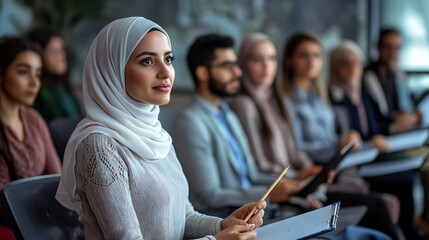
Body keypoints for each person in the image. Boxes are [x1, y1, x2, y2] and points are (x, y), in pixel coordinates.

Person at [56, 17, 265, 240]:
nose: (166, 72)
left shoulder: (157, 134)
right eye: (147, 61)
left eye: (168, 59)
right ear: (113, 70)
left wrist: (223, 225)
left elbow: (184, 218)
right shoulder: (98, 146)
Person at [229, 32, 399, 239]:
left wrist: (312, 171)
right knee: (379, 205)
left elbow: (294, 150)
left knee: (381, 202)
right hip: (280, 188)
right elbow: (258, 166)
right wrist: (302, 177)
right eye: (258, 59)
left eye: (272, 59)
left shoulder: (275, 99)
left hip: (299, 179)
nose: (267, 66)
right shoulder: (247, 104)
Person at [170, 33, 304, 220]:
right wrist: (268, 195)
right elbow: (208, 196)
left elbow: (252, 175)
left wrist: (297, 182)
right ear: (202, 73)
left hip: (258, 215)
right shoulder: (189, 123)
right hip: (228, 222)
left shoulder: (229, 115)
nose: (238, 72)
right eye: (227, 66)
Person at [328, 40, 419, 240]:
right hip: (356, 166)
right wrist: (371, 142)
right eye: (346, 63)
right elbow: (345, 141)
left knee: (410, 169)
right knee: (404, 181)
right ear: (335, 67)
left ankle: (411, 231)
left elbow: (376, 128)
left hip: (373, 157)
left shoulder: (363, 96)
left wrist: (380, 136)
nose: (353, 68)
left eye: (357, 62)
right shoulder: (333, 100)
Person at [0, 37, 62, 239]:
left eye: (38, 73)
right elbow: (3, 204)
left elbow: (57, 179)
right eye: (24, 72)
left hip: (41, 219)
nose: (35, 83)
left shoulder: (33, 119)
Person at [364, 28, 421, 133]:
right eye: (387, 47)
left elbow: (407, 105)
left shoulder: (398, 74)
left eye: (397, 48)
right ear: (378, 47)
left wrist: (414, 115)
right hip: (381, 134)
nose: (392, 52)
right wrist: (393, 122)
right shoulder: (366, 77)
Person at [28, 28, 82, 124]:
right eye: (54, 50)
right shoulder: (34, 91)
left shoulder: (64, 88)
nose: (61, 56)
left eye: (62, 49)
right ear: (39, 53)